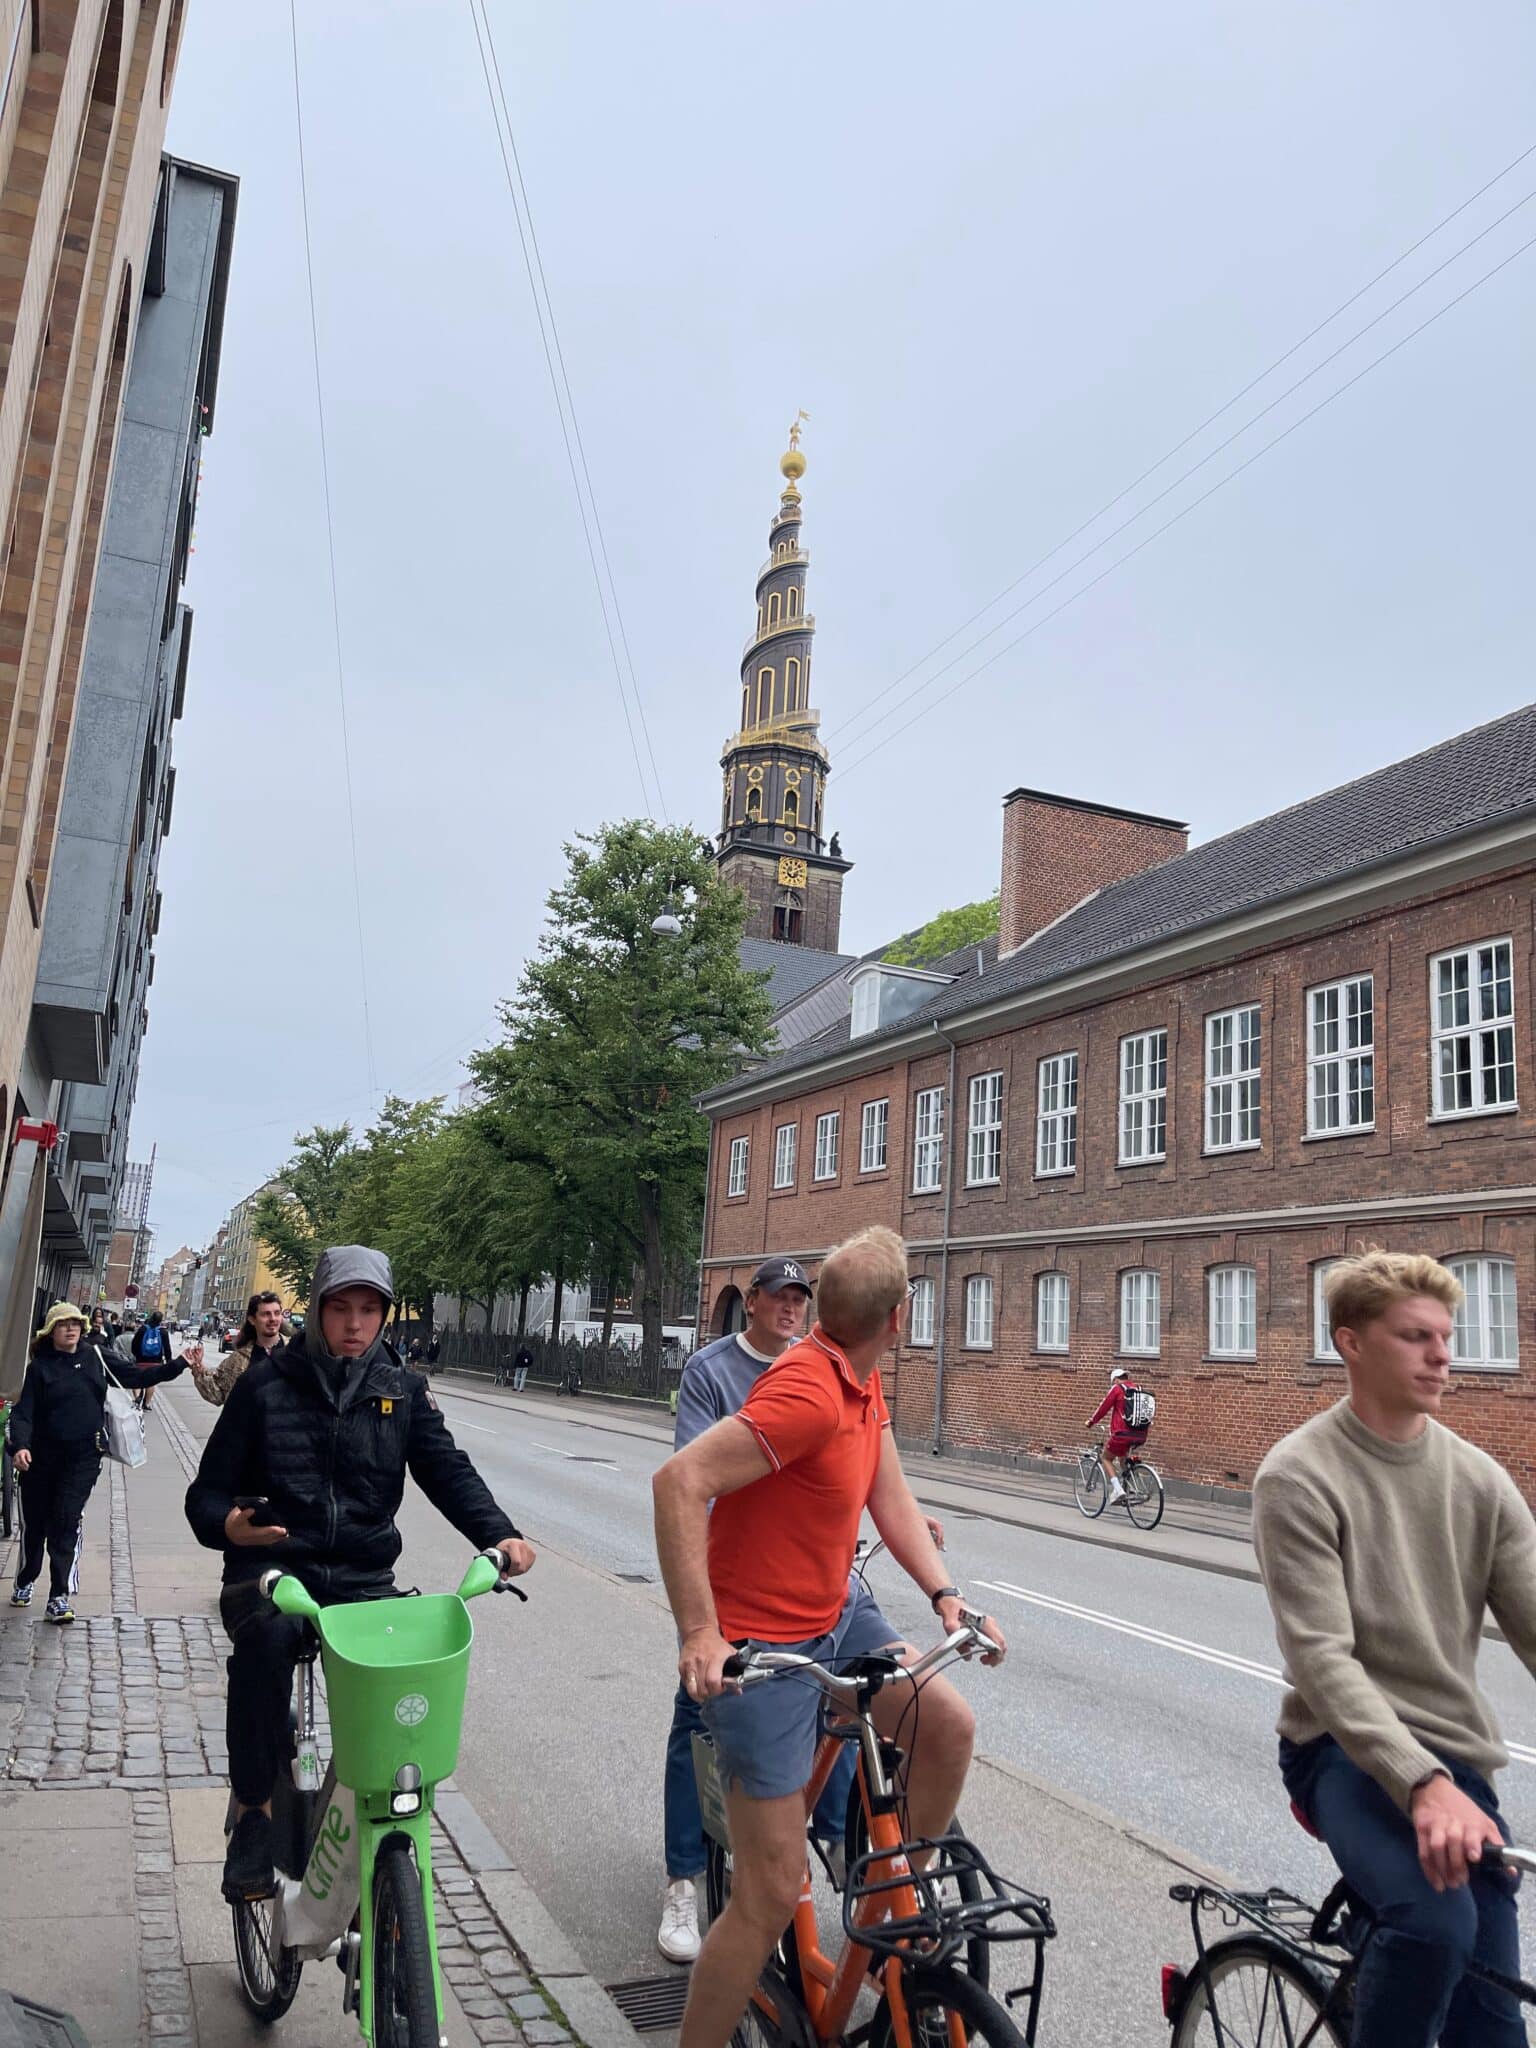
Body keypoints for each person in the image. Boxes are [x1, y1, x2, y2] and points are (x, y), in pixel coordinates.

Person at [653, 1226, 1004, 2048]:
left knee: (946, 1727)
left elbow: (889, 1493)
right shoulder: (807, 1390)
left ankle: (894, 1909)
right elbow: (679, 1482)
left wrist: (946, 1596)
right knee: (768, 1893)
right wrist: (700, 1632)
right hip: (762, 1648)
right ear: (898, 1315)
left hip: (837, 1614)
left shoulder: (860, 1377)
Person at [184, 1245, 535, 1904]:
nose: (354, 1324)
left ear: (383, 1314)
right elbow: (204, 1497)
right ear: (316, 1311)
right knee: (263, 1646)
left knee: (404, 1673)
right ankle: (255, 1814)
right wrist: (229, 1527)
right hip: (271, 1571)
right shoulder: (264, 1386)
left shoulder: (400, 1390)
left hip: (361, 1578)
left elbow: (447, 1470)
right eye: (340, 1308)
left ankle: (368, 1816)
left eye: (369, 1310)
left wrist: (500, 1534)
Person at [1253, 1249, 1536, 2048]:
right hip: (1340, 1751)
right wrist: (1420, 1785)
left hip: (1453, 1763)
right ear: (1351, 1343)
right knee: (1433, 1927)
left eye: (1446, 1335)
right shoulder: (1298, 1476)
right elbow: (1322, 1661)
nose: (1443, 1354)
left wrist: (1444, 1781)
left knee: (1493, 2020)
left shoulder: (1480, 1482)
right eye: (1416, 1336)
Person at [9, 1302, 187, 1621]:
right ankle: (26, 1578)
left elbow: (136, 1374)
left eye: (76, 1323)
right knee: (35, 1526)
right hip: (40, 1460)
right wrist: (21, 1446)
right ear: (50, 1332)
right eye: (63, 1324)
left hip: (82, 1458)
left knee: (66, 1520)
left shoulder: (97, 1357)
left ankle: (59, 1594)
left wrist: (180, 1364)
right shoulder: (39, 1368)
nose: (71, 1329)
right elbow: (23, 1414)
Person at [190, 1290, 284, 1407]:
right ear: (252, 1319)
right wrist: (198, 1367)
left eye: (277, 1313)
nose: (273, 1319)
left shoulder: (296, 1351)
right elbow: (217, 1393)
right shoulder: (240, 1359)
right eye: (266, 1314)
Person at [1084, 1366, 1150, 1503]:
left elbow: (1103, 1407)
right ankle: (1130, 1487)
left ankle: (1118, 1489)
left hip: (1122, 1434)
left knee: (1106, 1458)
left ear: (1115, 1380)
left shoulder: (1117, 1389)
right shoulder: (1139, 1389)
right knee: (1122, 1458)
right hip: (1140, 1434)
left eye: (1113, 1381)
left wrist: (1091, 1421)